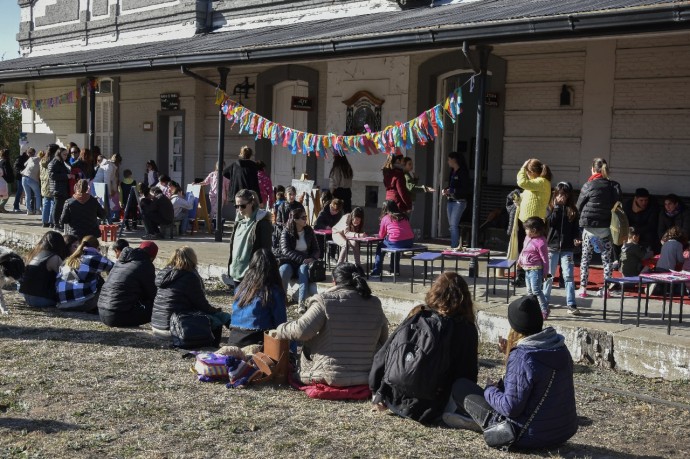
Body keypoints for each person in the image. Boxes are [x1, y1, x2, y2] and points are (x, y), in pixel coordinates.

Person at [444, 295, 578, 449]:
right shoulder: (558, 346)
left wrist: (490, 390)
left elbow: (510, 407)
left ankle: (479, 422)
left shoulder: (522, 356)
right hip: (562, 431)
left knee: (461, 386)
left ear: (515, 325)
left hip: (524, 435)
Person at [371, 272, 478, 424]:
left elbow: (384, 354)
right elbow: (467, 375)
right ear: (464, 297)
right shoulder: (465, 328)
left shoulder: (418, 314)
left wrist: (378, 391)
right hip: (433, 406)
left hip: (395, 400)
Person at [272, 263, 388, 387]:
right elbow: (384, 340)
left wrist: (280, 329)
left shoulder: (324, 301)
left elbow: (302, 331)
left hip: (328, 376)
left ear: (334, 281)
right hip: (367, 376)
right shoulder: (375, 303)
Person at [151, 246, 230, 338]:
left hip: (157, 326)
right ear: (192, 258)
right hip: (174, 328)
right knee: (219, 319)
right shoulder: (189, 277)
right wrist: (215, 311)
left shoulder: (164, 274)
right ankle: (227, 341)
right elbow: (201, 304)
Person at [576, 158, 621, 298]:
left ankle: (583, 289)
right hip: (606, 228)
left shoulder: (588, 185)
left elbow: (579, 205)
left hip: (589, 228)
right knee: (606, 259)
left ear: (593, 169)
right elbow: (617, 205)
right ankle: (606, 290)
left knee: (585, 258)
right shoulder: (613, 186)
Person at [229, 248, 287, 347]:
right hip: (256, 340)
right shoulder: (273, 291)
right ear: (273, 267)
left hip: (233, 339)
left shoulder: (241, 288)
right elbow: (281, 323)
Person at [98, 241, 158, 327]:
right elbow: (152, 294)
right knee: (160, 307)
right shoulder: (145, 264)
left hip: (102, 312)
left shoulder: (120, 262)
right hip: (118, 316)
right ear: (153, 257)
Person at [513, 158, 552, 286]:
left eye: (528, 171)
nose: (527, 174)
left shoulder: (542, 182)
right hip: (526, 221)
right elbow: (525, 195)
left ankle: (534, 275)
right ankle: (522, 275)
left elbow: (521, 182)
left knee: (533, 251)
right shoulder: (534, 183)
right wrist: (518, 201)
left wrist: (522, 167)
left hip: (534, 223)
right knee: (524, 249)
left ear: (533, 172)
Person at [224, 189, 273, 289]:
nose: (239, 209)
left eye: (242, 206)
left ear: (251, 203)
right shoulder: (239, 221)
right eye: (236, 206)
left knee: (248, 303)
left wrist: (261, 273)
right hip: (236, 272)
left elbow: (265, 251)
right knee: (237, 303)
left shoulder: (262, 223)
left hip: (252, 274)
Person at [544, 182, 581, 315]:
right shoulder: (550, 208)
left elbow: (576, 228)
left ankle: (571, 304)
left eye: (564, 195)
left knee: (568, 276)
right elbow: (551, 223)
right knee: (549, 275)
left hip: (567, 248)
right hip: (552, 247)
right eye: (559, 194)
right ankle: (544, 302)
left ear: (568, 196)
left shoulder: (573, 210)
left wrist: (577, 237)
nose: (561, 197)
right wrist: (557, 208)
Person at [55, 235, 114, 312]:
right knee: (99, 280)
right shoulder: (93, 257)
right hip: (80, 303)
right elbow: (114, 267)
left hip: (62, 303)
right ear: (97, 248)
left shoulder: (69, 259)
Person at [278, 206, 320, 311]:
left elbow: (316, 249)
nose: (306, 219)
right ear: (295, 220)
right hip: (290, 261)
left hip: (305, 262)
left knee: (303, 269)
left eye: (306, 217)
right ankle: (281, 299)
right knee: (283, 270)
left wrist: (312, 258)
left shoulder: (309, 230)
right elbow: (285, 250)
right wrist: (303, 259)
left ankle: (301, 303)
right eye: (303, 217)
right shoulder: (286, 231)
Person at [18, 231, 66, 307]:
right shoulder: (54, 258)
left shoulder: (33, 254)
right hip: (43, 299)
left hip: (27, 297)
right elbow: (67, 277)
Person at [371, 200, 414, 277]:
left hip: (396, 241)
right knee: (396, 249)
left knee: (380, 246)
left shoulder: (386, 218)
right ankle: (395, 271)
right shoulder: (404, 216)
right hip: (409, 242)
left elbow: (381, 235)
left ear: (385, 208)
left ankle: (376, 271)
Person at [518, 217, 550, 319]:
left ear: (534, 230)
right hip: (527, 269)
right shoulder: (527, 238)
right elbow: (523, 251)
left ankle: (544, 309)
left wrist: (545, 272)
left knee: (536, 290)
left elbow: (545, 259)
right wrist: (519, 261)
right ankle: (533, 309)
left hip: (536, 269)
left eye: (527, 229)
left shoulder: (541, 242)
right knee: (529, 291)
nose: (525, 231)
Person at [442, 152, 472, 249]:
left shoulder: (463, 172)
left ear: (454, 160)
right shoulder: (452, 171)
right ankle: (456, 245)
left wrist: (452, 190)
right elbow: (451, 186)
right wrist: (446, 190)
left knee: (454, 225)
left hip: (460, 201)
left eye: (449, 159)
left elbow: (465, 189)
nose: (448, 162)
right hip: (451, 200)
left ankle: (454, 246)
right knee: (451, 225)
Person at [623, 188, 659, 253]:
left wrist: (637, 230)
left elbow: (652, 224)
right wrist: (631, 230)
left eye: (646, 200)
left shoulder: (652, 206)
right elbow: (624, 220)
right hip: (630, 229)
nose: (644, 203)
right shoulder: (628, 205)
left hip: (645, 229)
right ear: (636, 199)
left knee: (650, 236)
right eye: (641, 200)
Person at [48, 148, 75, 231]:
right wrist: (66, 176)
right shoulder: (55, 162)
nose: (66, 156)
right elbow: (52, 175)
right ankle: (55, 224)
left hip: (62, 188)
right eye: (64, 154)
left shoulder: (62, 162)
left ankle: (59, 224)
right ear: (59, 154)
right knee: (58, 207)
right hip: (57, 188)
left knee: (61, 207)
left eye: (67, 154)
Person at [273, 185, 305, 252]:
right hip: (285, 233)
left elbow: (304, 219)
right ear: (285, 195)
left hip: (298, 232)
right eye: (290, 194)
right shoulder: (281, 207)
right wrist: (286, 228)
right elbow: (278, 222)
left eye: (293, 194)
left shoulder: (299, 206)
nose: (292, 196)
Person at [20, 148, 41, 215]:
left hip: (24, 177)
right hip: (33, 179)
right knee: (37, 195)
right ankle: (38, 210)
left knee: (27, 195)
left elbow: (24, 164)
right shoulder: (41, 161)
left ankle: (29, 210)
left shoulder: (31, 159)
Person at [39, 149, 53, 227]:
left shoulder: (42, 161)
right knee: (52, 203)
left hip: (44, 184)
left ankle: (44, 221)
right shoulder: (52, 162)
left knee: (46, 203)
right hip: (51, 184)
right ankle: (51, 221)